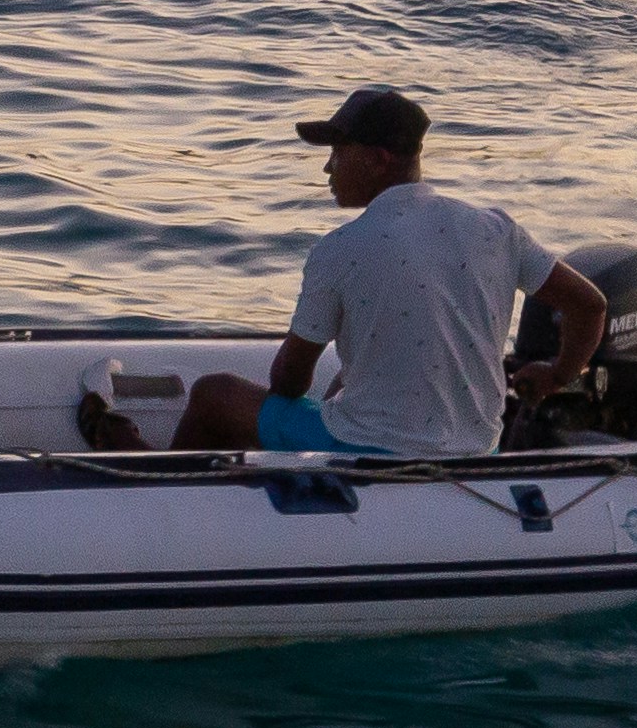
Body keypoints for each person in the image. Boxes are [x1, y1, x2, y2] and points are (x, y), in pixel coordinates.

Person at [78, 86, 604, 459]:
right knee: (343, 389)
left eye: (337, 152)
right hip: (479, 445)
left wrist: (301, 395)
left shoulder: (342, 248)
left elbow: (288, 378)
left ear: (376, 160)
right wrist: (559, 374)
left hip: (372, 450)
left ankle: (165, 490)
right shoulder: (495, 228)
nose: (328, 168)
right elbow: (590, 305)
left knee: (216, 393)